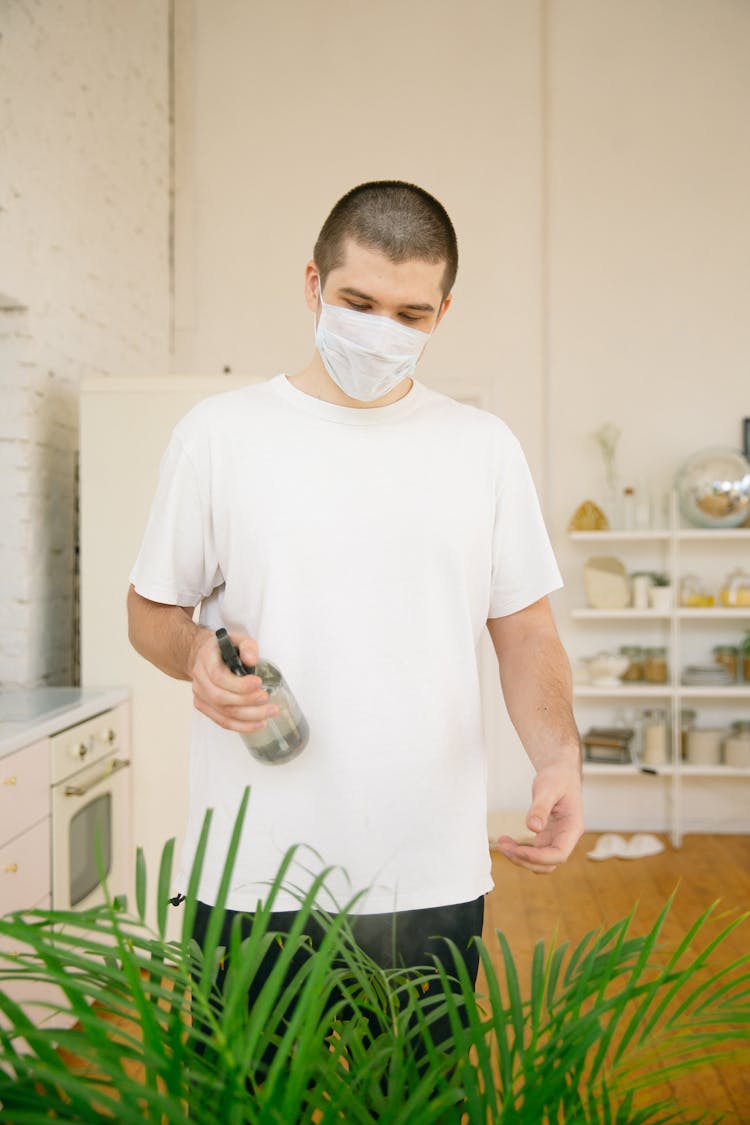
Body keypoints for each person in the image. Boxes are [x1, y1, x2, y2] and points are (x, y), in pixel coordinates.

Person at [127, 180, 583, 1057]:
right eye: (359, 301)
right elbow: (150, 610)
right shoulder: (220, 434)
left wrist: (558, 757)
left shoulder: (480, 448)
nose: (383, 330)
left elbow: (525, 630)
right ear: (312, 284)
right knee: (249, 1107)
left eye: (411, 313)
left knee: (411, 1106)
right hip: (255, 874)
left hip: (426, 867)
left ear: (444, 310)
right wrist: (194, 654)